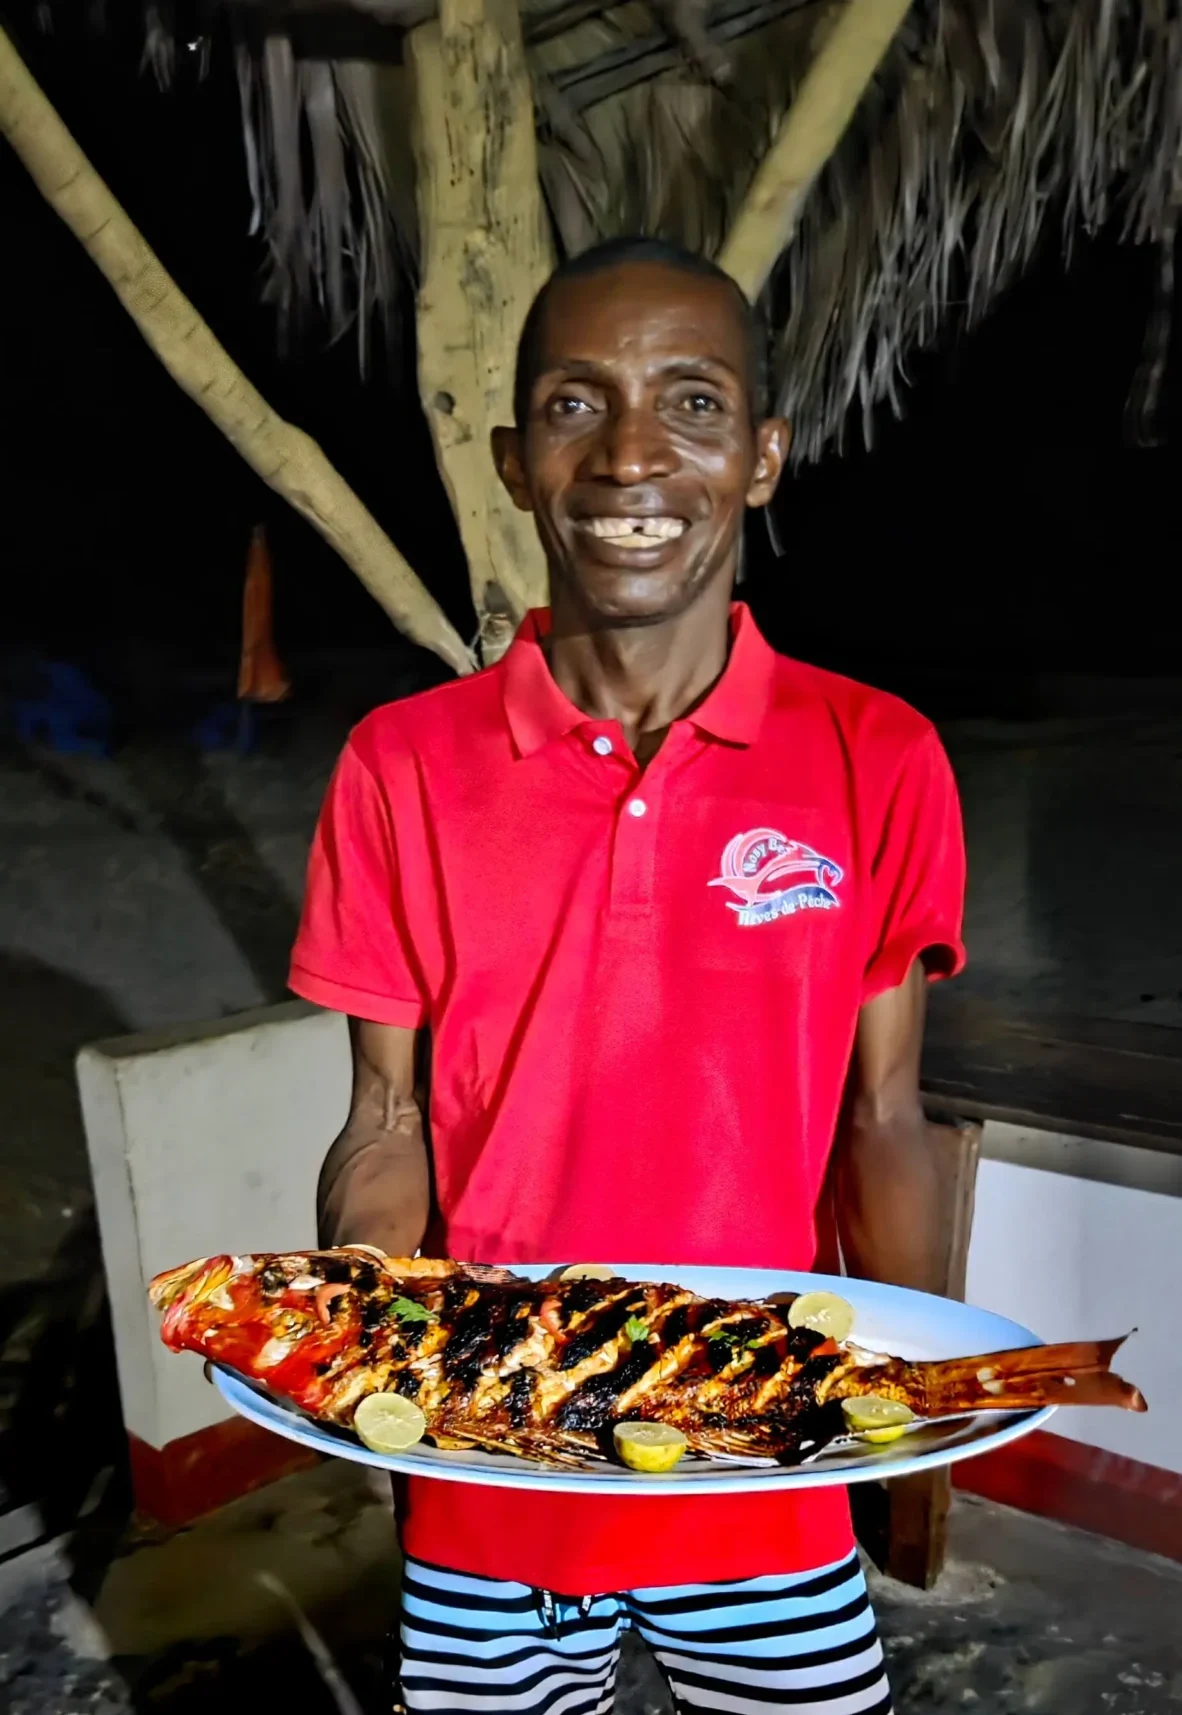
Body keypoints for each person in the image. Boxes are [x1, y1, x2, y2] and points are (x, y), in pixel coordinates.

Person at [289, 236, 966, 1715]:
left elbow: (888, 1117)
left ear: (764, 455)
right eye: (576, 405)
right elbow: (385, 1126)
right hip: (490, 1465)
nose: (632, 456)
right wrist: (363, 1334)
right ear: (514, 461)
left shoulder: (878, 756)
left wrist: (916, 1397)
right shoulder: (399, 765)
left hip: (757, 1468)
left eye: (694, 402)